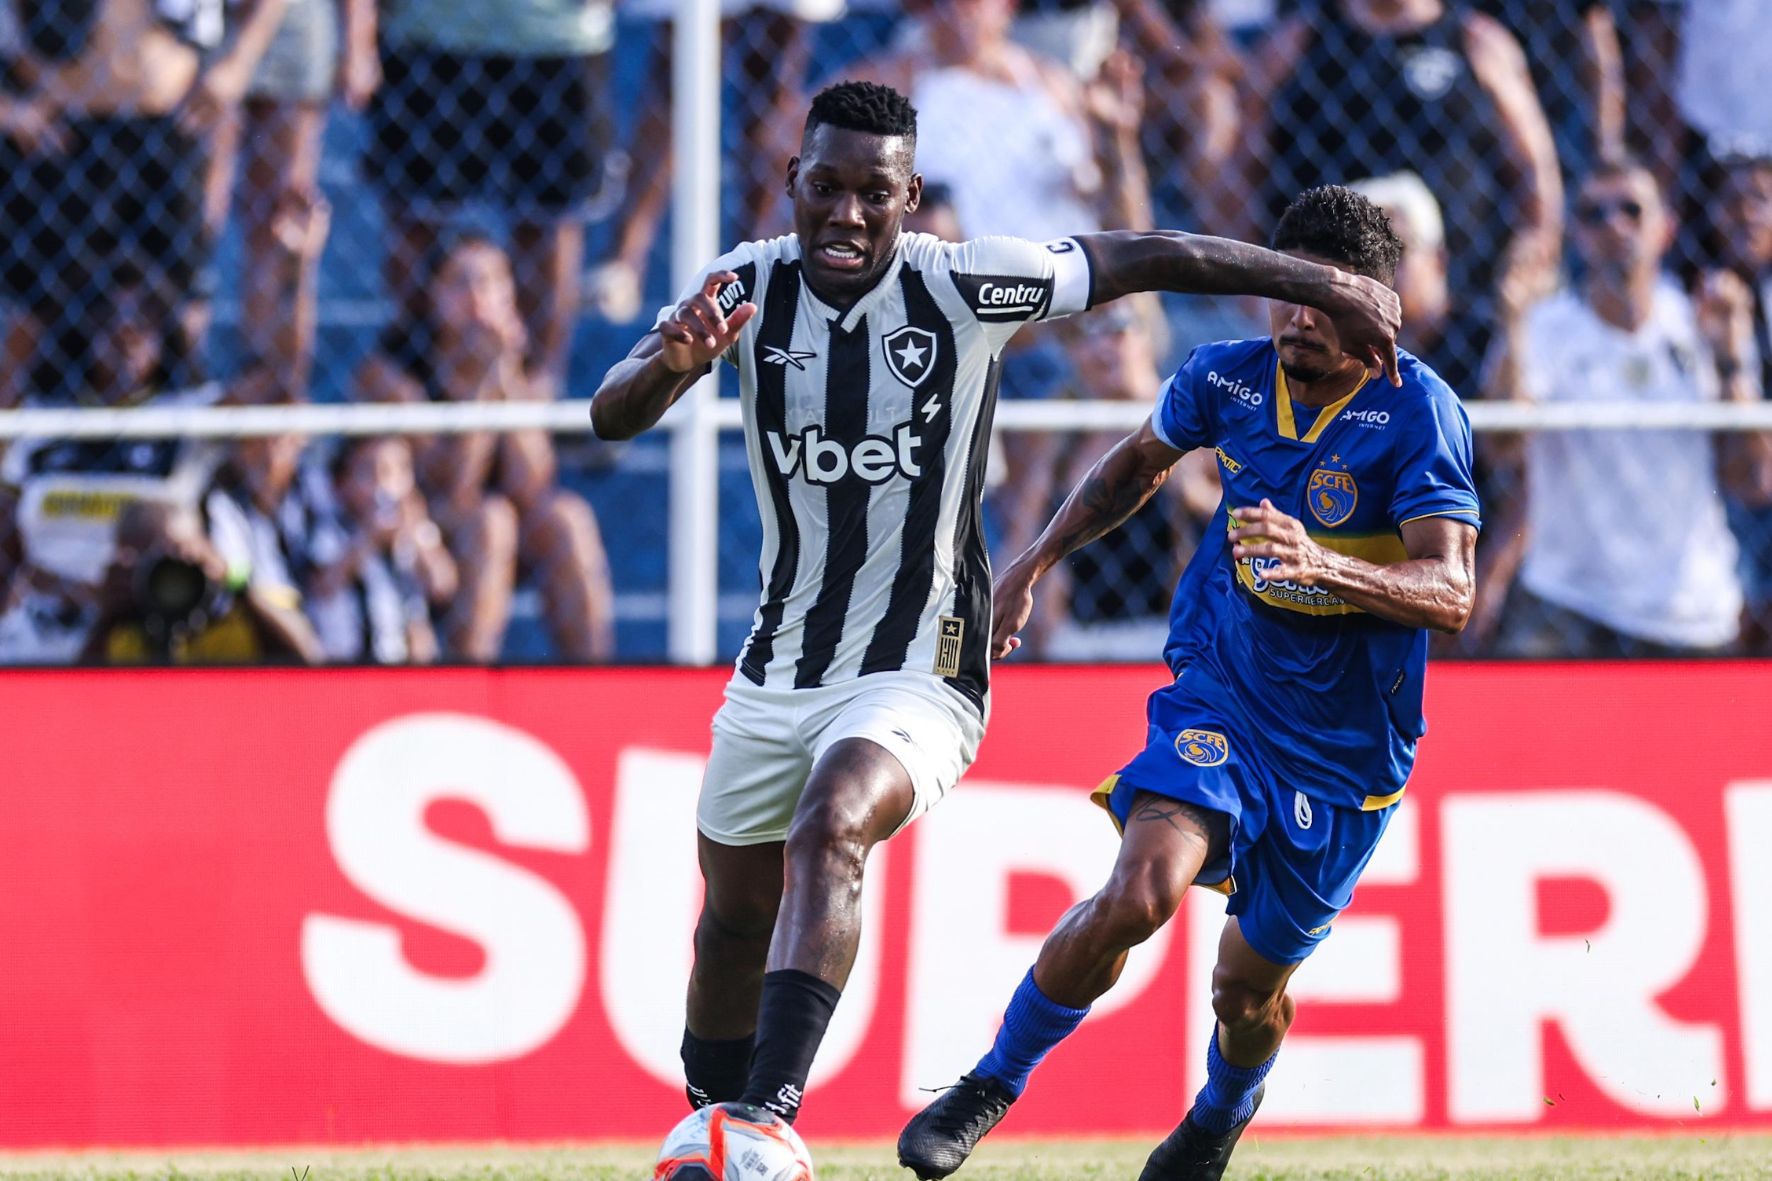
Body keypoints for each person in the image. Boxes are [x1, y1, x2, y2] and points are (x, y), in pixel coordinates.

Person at [589, 81, 1401, 1131]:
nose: (845, 214)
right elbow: (612, 414)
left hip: (922, 663)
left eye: (871, 193)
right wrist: (669, 361)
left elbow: (1142, 256)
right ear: (790, 182)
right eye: (824, 188)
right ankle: (713, 1122)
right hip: (776, 663)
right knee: (731, 925)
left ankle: (767, 1117)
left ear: (908, 194)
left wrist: (1313, 281)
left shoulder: (969, 286)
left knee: (832, 820)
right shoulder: (741, 286)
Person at [896, 184, 1476, 1181]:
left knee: (1244, 991)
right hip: (1224, 694)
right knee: (1138, 888)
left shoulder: (1418, 411)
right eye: (1284, 290)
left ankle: (1218, 1113)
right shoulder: (1226, 378)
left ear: (1372, 308)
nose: (1293, 314)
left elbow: (1451, 591)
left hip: (1346, 752)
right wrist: (1029, 565)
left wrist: (1323, 561)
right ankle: (993, 1076)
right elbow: (1133, 465)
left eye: (1320, 298)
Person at [1481, 158, 1762, 658]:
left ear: (1667, 226)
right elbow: (1500, 449)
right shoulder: (1544, 328)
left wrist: (1731, 357)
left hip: (1688, 605)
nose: (1614, 226)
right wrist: (1512, 326)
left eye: (1632, 210)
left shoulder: (1700, 322)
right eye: (1594, 214)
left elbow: (1755, 478)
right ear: (1576, 233)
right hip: (1572, 600)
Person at [358, 232, 615, 662]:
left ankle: (596, 682)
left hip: (502, 525)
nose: (478, 297)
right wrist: (480, 387)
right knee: (490, 521)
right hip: (423, 524)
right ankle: (469, 683)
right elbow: (452, 488)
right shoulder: (396, 373)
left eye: (493, 282)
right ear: (433, 296)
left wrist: (503, 376)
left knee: (568, 517)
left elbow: (531, 484)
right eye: (461, 283)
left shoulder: (526, 368)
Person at [363, 0, 615, 387]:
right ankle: (420, 388)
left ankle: (536, 392)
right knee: (416, 219)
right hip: (428, 29)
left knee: (548, 222)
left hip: (554, 31)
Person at [82, 499, 323, 665]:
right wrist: (108, 616)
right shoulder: (124, 628)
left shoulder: (247, 607)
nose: (170, 573)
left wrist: (238, 585)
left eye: (180, 551)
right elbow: (78, 697)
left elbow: (311, 660)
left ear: (206, 546)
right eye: (152, 560)